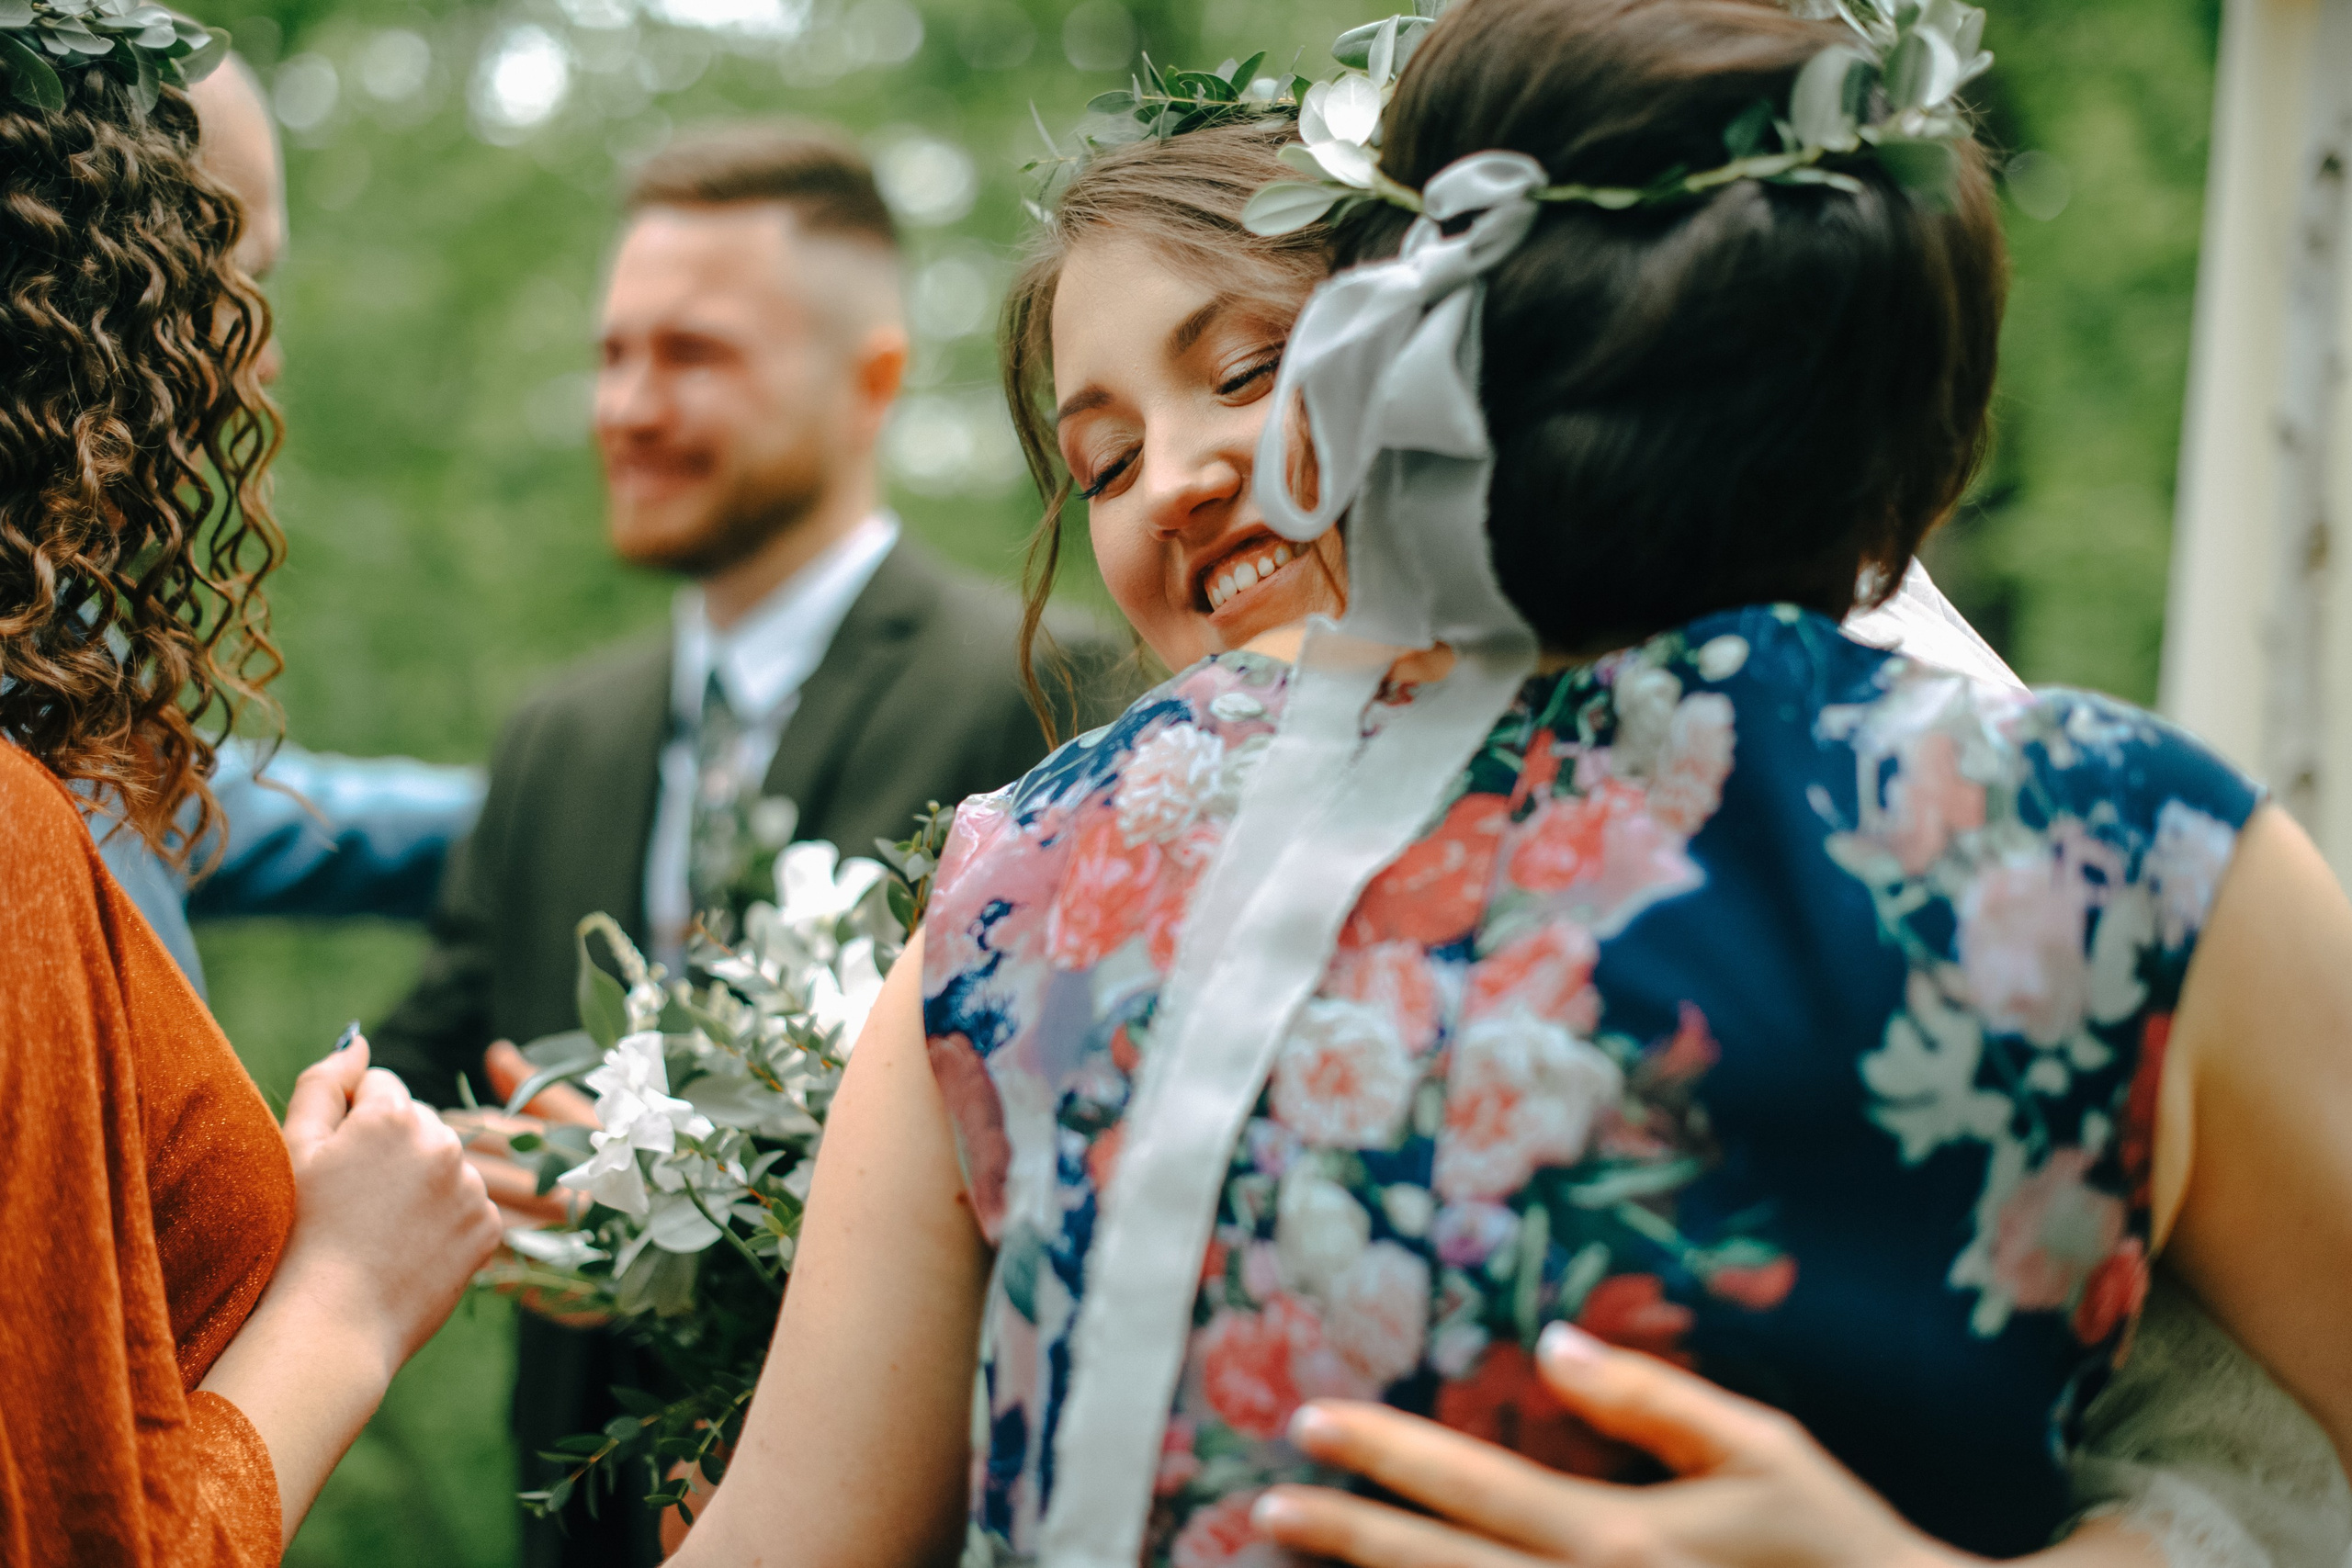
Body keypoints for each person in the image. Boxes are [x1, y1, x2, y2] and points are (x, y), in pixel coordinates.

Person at [655, 2, 2352, 1565]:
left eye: (1251, 369)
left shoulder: (1020, 880)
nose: (1180, 477)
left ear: (1386, 352)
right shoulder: (2141, 849)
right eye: (1100, 459)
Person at [365, 119, 1122, 1566]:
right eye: (612, 353)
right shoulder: (554, 737)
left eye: (692, 354)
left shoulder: (1045, 690)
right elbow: (431, 1060)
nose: (627, 404)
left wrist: (676, 1198)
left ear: (872, 379)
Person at [0, 17, 503, 1562]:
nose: (266, 350)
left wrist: (576, 792)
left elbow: (236, 808)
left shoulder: (56, 679)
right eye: (241, 271)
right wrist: (351, 1288)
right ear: (98, 288)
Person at [74, 57, 485, 998]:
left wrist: (544, 803)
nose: (266, 359)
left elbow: (184, 806)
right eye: (240, 279)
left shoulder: (51, 631)